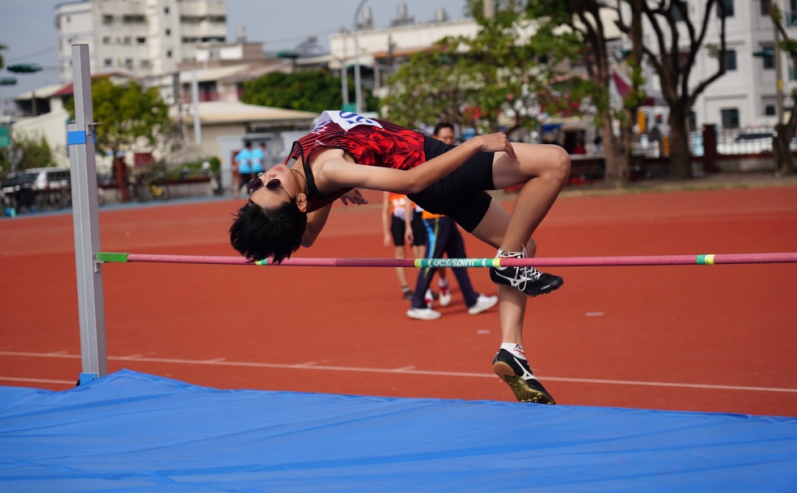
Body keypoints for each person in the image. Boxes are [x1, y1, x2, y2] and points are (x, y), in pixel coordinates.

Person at [230, 110, 570, 404]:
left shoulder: (305, 178)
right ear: (300, 204)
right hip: (435, 170)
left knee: (524, 247)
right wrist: (476, 144)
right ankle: (510, 260)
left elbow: (306, 236)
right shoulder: (329, 171)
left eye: (258, 183)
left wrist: (335, 191)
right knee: (555, 161)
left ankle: (512, 349)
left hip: (436, 176)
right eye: (272, 187)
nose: (267, 177)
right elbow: (412, 181)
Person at [406, 122, 497, 320]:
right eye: (444, 138)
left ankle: (471, 299)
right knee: (431, 259)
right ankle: (418, 303)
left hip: (449, 215)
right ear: (435, 138)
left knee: (459, 257)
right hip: (435, 218)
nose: (448, 141)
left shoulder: (454, 157)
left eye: (451, 138)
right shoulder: (429, 159)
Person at [382, 191, 425, 301]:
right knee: (399, 253)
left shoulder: (404, 176)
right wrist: (386, 233)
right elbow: (385, 210)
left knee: (419, 252)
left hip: (413, 214)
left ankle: (424, 287)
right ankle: (405, 289)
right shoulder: (386, 187)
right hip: (397, 217)